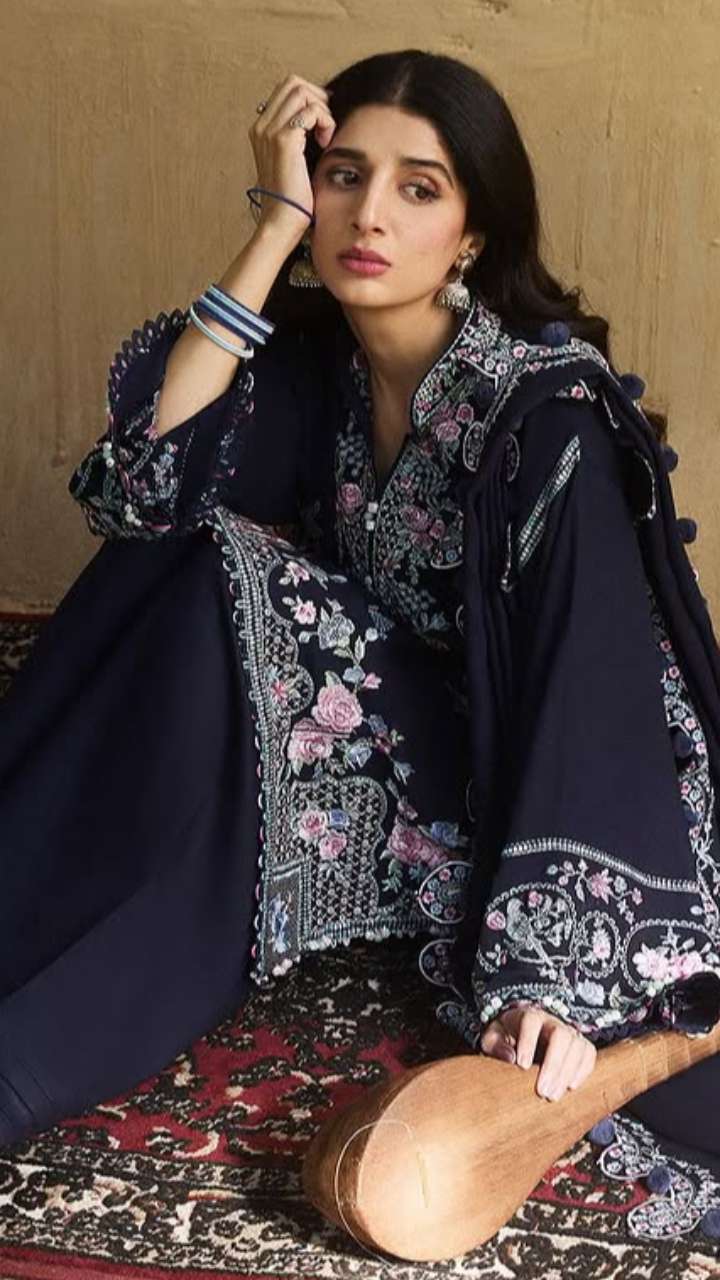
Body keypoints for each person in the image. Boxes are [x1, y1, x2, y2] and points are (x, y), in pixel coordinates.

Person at [2, 48, 720, 1245]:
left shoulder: (544, 415)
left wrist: (550, 975)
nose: (369, 214)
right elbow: (141, 490)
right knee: (188, 555)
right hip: (403, 736)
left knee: (230, 599)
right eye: (343, 176)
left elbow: (593, 688)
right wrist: (271, 228)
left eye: (418, 188)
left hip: (574, 801)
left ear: (474, 234)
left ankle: (34, 1043)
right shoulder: (321, 373)